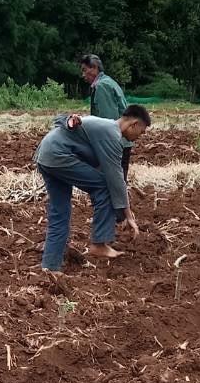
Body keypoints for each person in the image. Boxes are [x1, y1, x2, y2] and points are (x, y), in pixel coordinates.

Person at [34, 105, 151, 268]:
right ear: (135, 124)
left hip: (47, 156)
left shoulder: (106, 128)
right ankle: (99, 244)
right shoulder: (112, 134)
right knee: (105, 187)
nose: (140, 136)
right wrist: (129, 216)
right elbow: (115, 179)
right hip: (59, 157)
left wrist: (122, 210)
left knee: (60, 213)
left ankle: (51, 266)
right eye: (142, 131)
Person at [80, 54, 133, 179]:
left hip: (114, 144)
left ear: (94, 68)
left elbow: (107, 122)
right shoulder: (109, 82)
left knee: (112, 185)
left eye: (84, 70)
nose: (83, 75)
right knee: (118, 185)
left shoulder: (102, 86)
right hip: (121, 141)